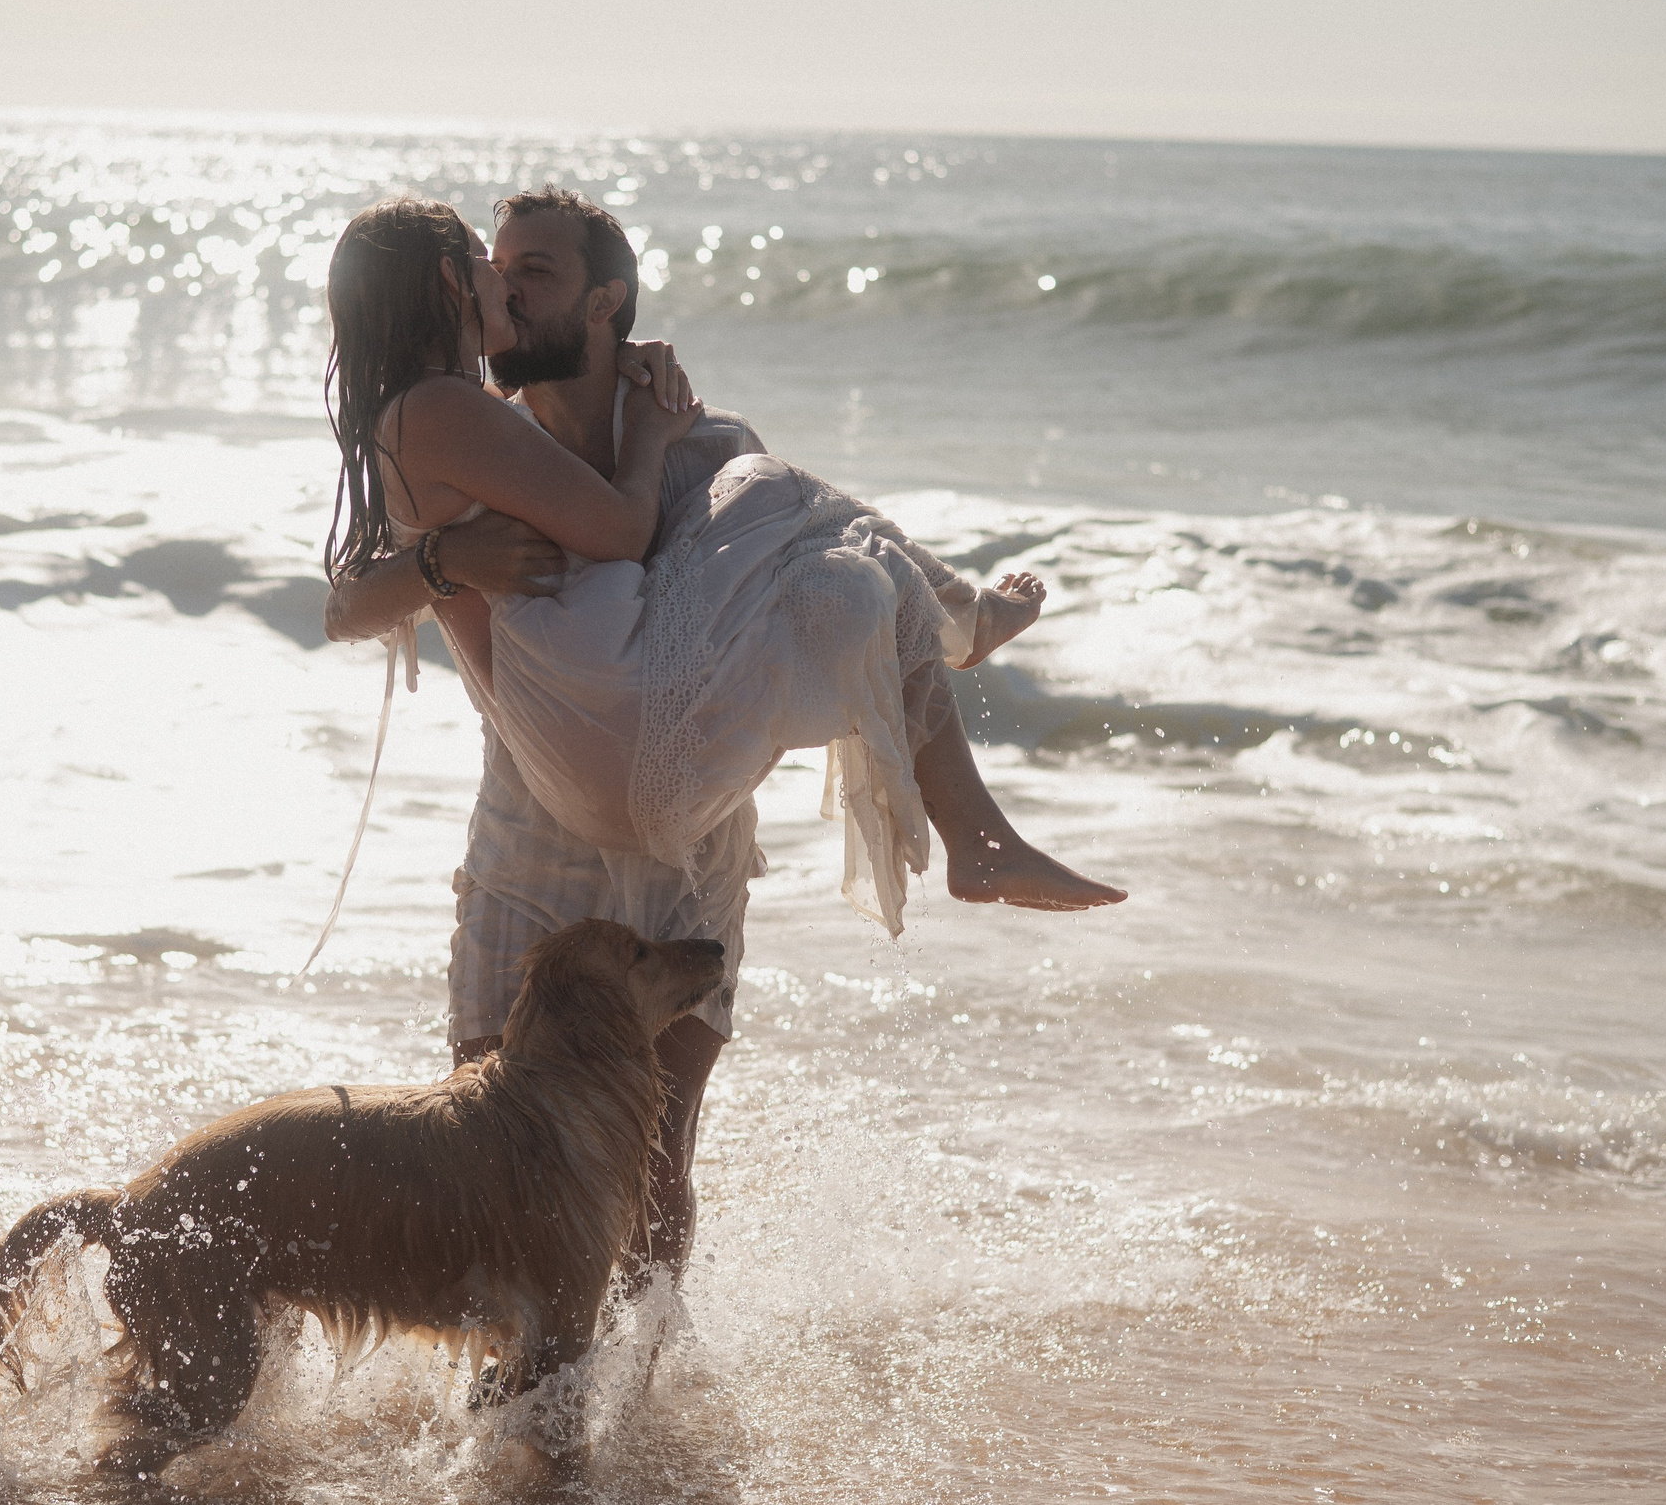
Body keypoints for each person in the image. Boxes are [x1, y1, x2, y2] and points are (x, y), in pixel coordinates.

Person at [322, 188, 1122, 1275]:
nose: (506, 284)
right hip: (534, 819)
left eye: (534, 272)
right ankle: (516, 1408)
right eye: (491, 266)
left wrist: (649, 443)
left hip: (685, 836)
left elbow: (771, 631)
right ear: (450, 291)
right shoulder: (478, 424)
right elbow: (349, 601)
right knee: (490, 1140)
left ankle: (632, 1411)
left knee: (655, 1162)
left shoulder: (694, 445)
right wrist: (442, 564)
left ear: (606, 303)